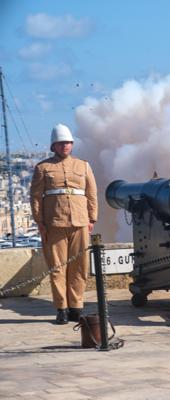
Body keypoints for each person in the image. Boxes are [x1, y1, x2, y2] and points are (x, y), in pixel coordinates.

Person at [30, 123, 98, 324]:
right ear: (53, 146)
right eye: (61, 143)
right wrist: (39, 221)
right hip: (54, 222)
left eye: (68, 143)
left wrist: (92, 218)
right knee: (58, 268)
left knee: (79, 267)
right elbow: (35, 197)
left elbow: (91, 194)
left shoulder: (84, 166)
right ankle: (62, 308)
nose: (65, 146)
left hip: (80, 222)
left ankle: (76, 307)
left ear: (72, 144)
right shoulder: (43, 168)